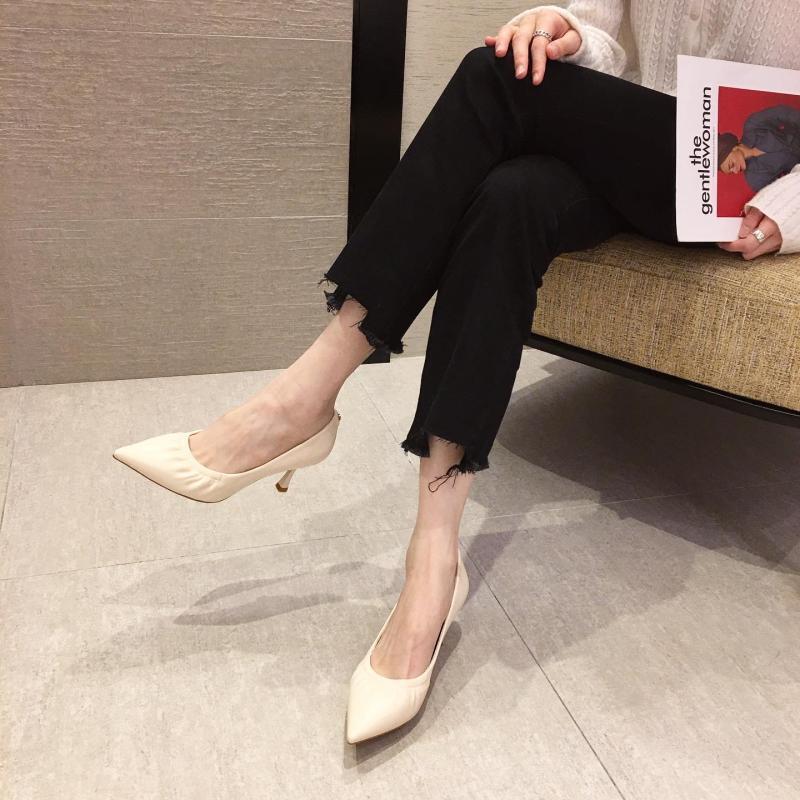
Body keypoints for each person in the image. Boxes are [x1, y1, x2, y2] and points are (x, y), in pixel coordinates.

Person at [112, 2, 800, 744]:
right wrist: (566, 32)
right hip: (632, 148)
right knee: (508, 197)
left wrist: (791, 207)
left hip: (743, 180)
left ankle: (302, 400)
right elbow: (600, 29)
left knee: (494, 77)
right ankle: (434, 555)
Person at [719, 104, 800, 191]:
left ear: (733, 148)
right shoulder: (754, 180)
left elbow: (783, 113)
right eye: (731, 172)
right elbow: (781, 190)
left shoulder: (752, 125)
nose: (735, 171)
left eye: (731, 165)